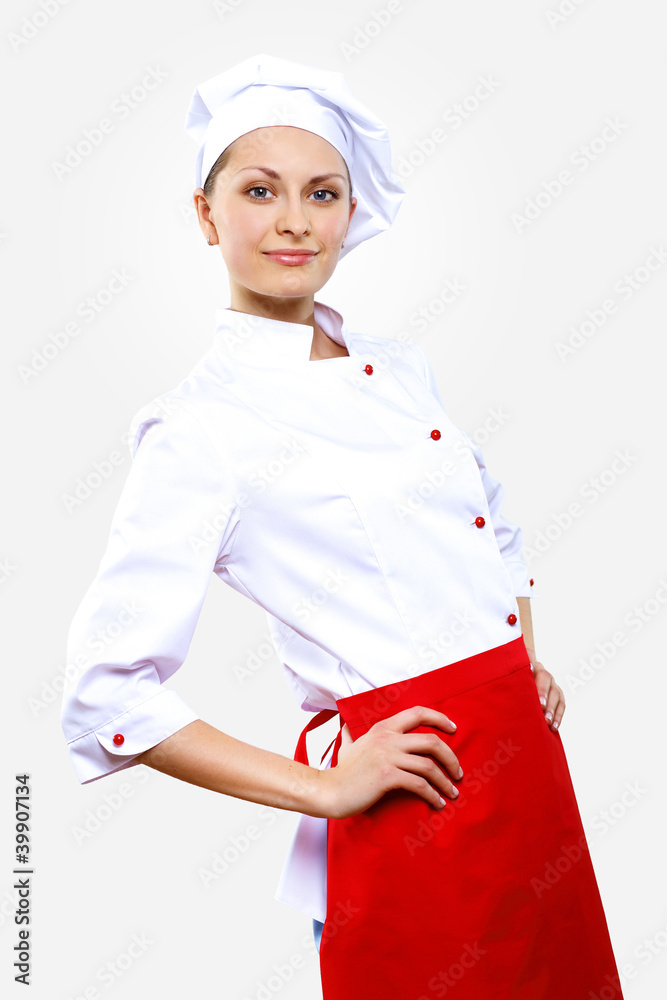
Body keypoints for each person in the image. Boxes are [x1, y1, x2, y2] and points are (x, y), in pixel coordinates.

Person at [61, 53, 625, 999]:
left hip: (528, 772)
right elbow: (105, 691)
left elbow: (488, 523)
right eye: (258, 191)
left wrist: (515, 650)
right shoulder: (200, 429)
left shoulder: (399, 366)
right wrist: (326, 787)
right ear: (206, 216)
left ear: (350, 214)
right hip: (420, 796)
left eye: (321, 193)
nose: (293, 220)